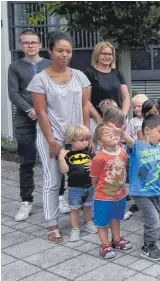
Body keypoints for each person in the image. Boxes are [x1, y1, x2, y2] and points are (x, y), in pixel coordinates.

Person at [29, 31, 91, 243]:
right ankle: (52, 225)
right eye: (60, 50)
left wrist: (87, 134)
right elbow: (41, 113)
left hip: (77, 138)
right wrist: (52, 141)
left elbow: (85, 106)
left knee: (82, 178)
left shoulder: (80, 76)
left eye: (68, 51)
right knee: (53, 182)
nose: (65, 55)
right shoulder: (40, 80)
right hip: (51, 136)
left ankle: (85, 219)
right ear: (50, 51)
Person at [9, 29, 52, 222]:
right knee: (26, 162)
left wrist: (43, 111)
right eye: (26, 43)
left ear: (40, 44)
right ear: (21, 45)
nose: (30, 46)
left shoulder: (49, 65)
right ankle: (26, 201)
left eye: (34, 42)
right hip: (25, 121)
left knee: (52, 159)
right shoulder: (15, 67)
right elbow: (14, 93)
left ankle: (59, 196)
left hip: (48, 120)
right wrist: (30, 109)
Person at [117, 114, 160, 260]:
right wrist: (119, 130)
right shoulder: (138, 145)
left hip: (156, 191)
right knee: (154, 221)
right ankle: (148, 247)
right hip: (140, 192)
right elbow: (127, 138)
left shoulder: (157, 148)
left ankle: (148, 240)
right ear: (147, 131)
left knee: (155, 219)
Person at [90, 124, 131, 259]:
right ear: (100, 142)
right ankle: (105, 244)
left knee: (116, 217)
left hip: (120, 194)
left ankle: (116, 238)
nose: (113, 135)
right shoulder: (99, 158)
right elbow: (94, 178)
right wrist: (99, 189)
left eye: (114, 132)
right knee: (102, 221)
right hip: (104, 196)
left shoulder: (123, 152)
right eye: (108, 134)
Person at [57, 124, 96, 242]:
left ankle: (89, 223)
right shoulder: (68, 155)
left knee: (88, 207)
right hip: (75, 188)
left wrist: (94, 164)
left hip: (89, 186)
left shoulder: (89, 153)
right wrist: (61, 158)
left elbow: (98, 166)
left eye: (87, 140)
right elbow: (64, 170)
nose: (85, 142)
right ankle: (75, 229)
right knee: (75, 210)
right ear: (70, 140)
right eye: (81, 140)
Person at [84, 41, 131, 131]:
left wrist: (123, 117)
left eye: (110, 54)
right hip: (96, 121)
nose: (107, 56)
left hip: (118, 121)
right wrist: (98, 118)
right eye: (104, 53)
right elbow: (86, 101)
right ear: (97, 54)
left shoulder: (118, 74)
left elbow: (126, 98)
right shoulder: (89, 73)